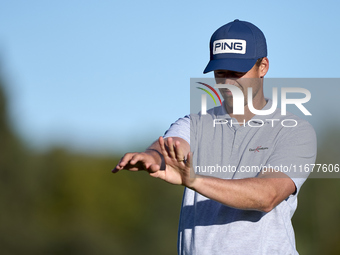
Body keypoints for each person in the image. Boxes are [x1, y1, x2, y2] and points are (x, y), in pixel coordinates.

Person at [113, 19, 317, 255]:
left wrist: (195, 180)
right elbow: (172, 146)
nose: (228, 81)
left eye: (237, 72)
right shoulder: (194, 123)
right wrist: (153, 156)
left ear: (263, 67)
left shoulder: (294, 130)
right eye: (221, 72)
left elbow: (267, 195)